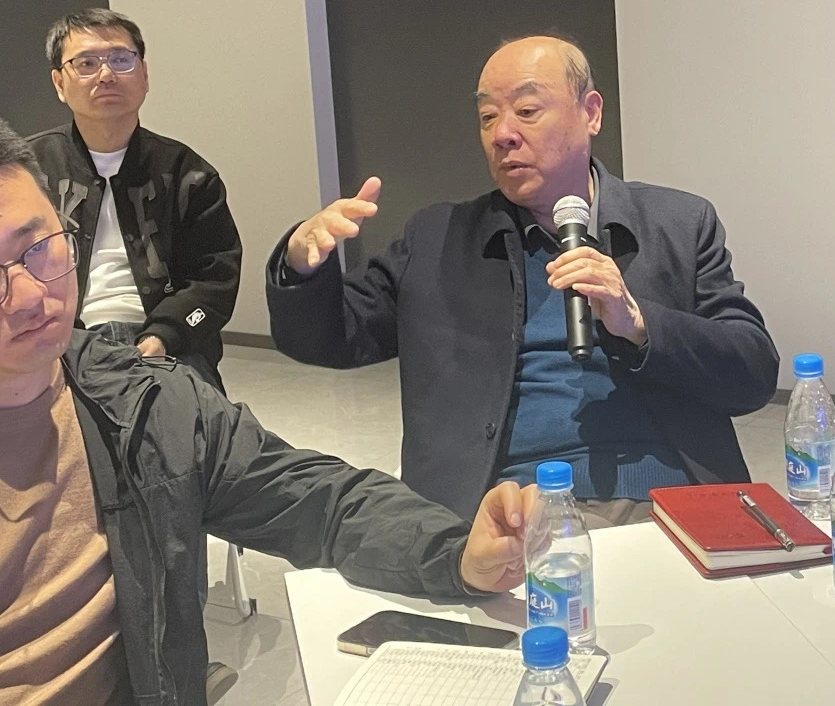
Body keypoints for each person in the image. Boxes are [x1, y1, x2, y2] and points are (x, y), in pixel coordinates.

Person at [0, 118, 534, 706]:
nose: (28, 296)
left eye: (38, 248)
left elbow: (322, 504)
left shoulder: (146, 406)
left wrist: (457, 554)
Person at [266, 35, 778, 526]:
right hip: (504, 509)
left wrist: (640, 325)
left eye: (527, 110)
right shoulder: (438, 238)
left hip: (664, 500)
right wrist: (301, 266)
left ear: (591, 113)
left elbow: (752, 374)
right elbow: (332, 337)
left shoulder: (678, 223)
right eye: (488, 116)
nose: (502, 134)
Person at [29, 8, 240, 392]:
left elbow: (214, 279)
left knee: (199, 424)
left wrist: (163, 337)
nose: (106, 74)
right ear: (59, 83)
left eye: (120, 60)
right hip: (58, 340)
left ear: (144, 75)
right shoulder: (27, 172)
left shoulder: (188, 174)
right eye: (86, 63)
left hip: (167, 340)